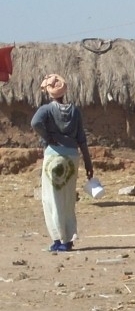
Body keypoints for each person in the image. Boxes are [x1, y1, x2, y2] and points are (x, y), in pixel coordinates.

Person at [30, 74, 94, 252]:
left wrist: (49, 137)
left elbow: (35, 122)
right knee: (67, 199)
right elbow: (82, 139)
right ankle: (68, 239)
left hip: (53, 157)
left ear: (49, 93)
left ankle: (58, 240)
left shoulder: (46, 110)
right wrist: (89, 164)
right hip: (72, 158)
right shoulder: (75, 111)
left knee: (52, 199)